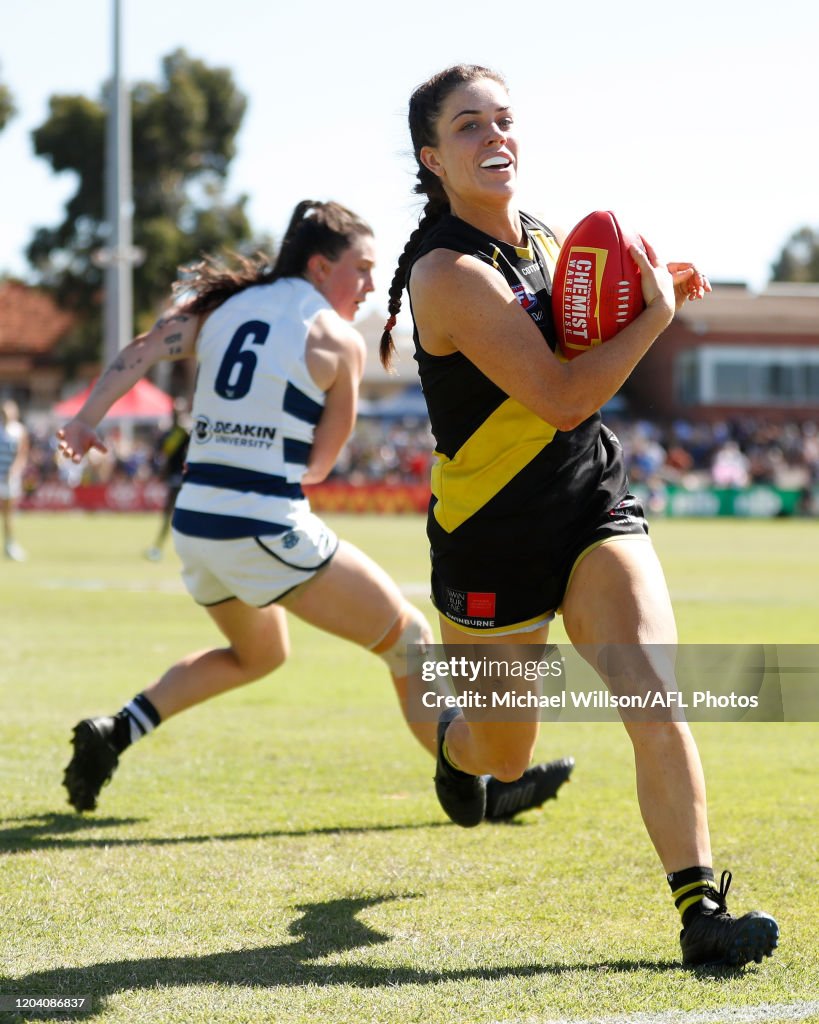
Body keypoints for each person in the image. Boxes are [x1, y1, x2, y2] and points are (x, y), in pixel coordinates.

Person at [380, 65, 778, 967]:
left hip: (589, 504)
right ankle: (455, 742)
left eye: (504, 120)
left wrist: (639, 293)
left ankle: (699, 913)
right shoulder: (445, 273)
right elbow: (562, 394)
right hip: (489, 537)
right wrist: (655, 322)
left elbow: (578, 357)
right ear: (432, 158)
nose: (494, 138)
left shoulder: (548, 237)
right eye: (469, 126)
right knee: (504, 758)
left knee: (654, 693)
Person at [56, 199, 573, 824]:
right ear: (322, 265)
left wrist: (87, 420)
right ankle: (482, 787)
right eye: (361, 269)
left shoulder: (223, 307)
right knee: (408, 638)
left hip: (195, 523)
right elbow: (322, 465)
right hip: (260, 523)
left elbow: (140, 350)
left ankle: (113, 733)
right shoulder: (335, 339)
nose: (369, 285)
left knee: (260, 654)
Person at [144, 397, 190, 561]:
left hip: (184, 480)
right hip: (175, 479)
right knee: (169, 515)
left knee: (175, 515)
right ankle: (158, 547)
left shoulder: (185, 433)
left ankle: (160, 547)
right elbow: (161, 455)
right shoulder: (173, 434)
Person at [0, 399, 29, 561]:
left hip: (9, 477)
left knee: (8, 514)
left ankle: (9, 544)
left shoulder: (19, 431)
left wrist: (14, 470)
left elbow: (22, 454)